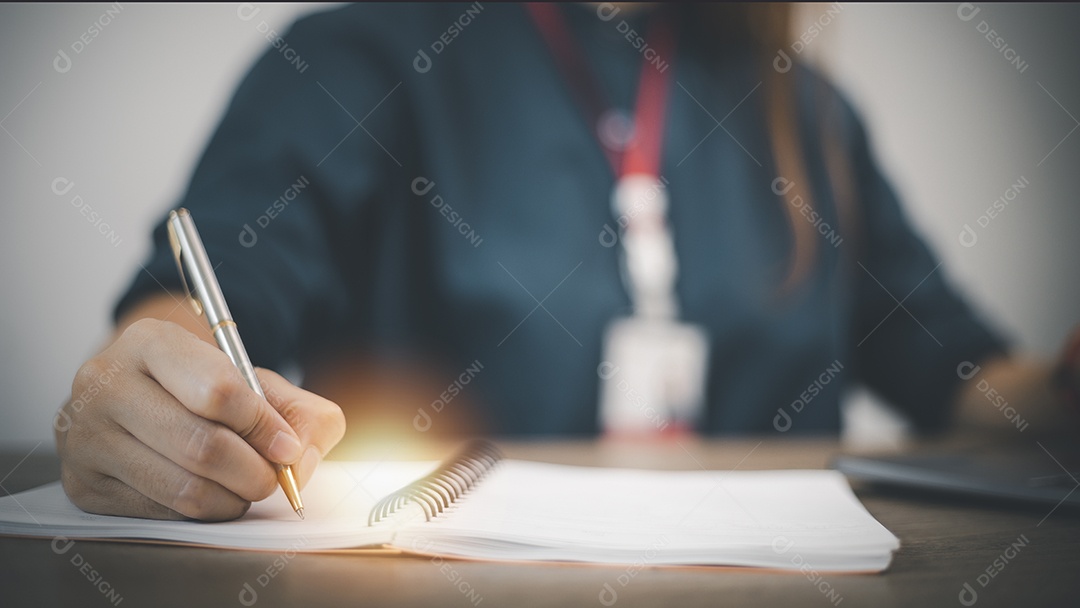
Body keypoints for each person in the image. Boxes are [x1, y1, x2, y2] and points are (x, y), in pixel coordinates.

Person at [55, 3, 1079, 521]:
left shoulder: (804, 108)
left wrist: (1058, 387)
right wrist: (154, 373)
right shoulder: (357, 53)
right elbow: (220, 292)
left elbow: (952, 366)